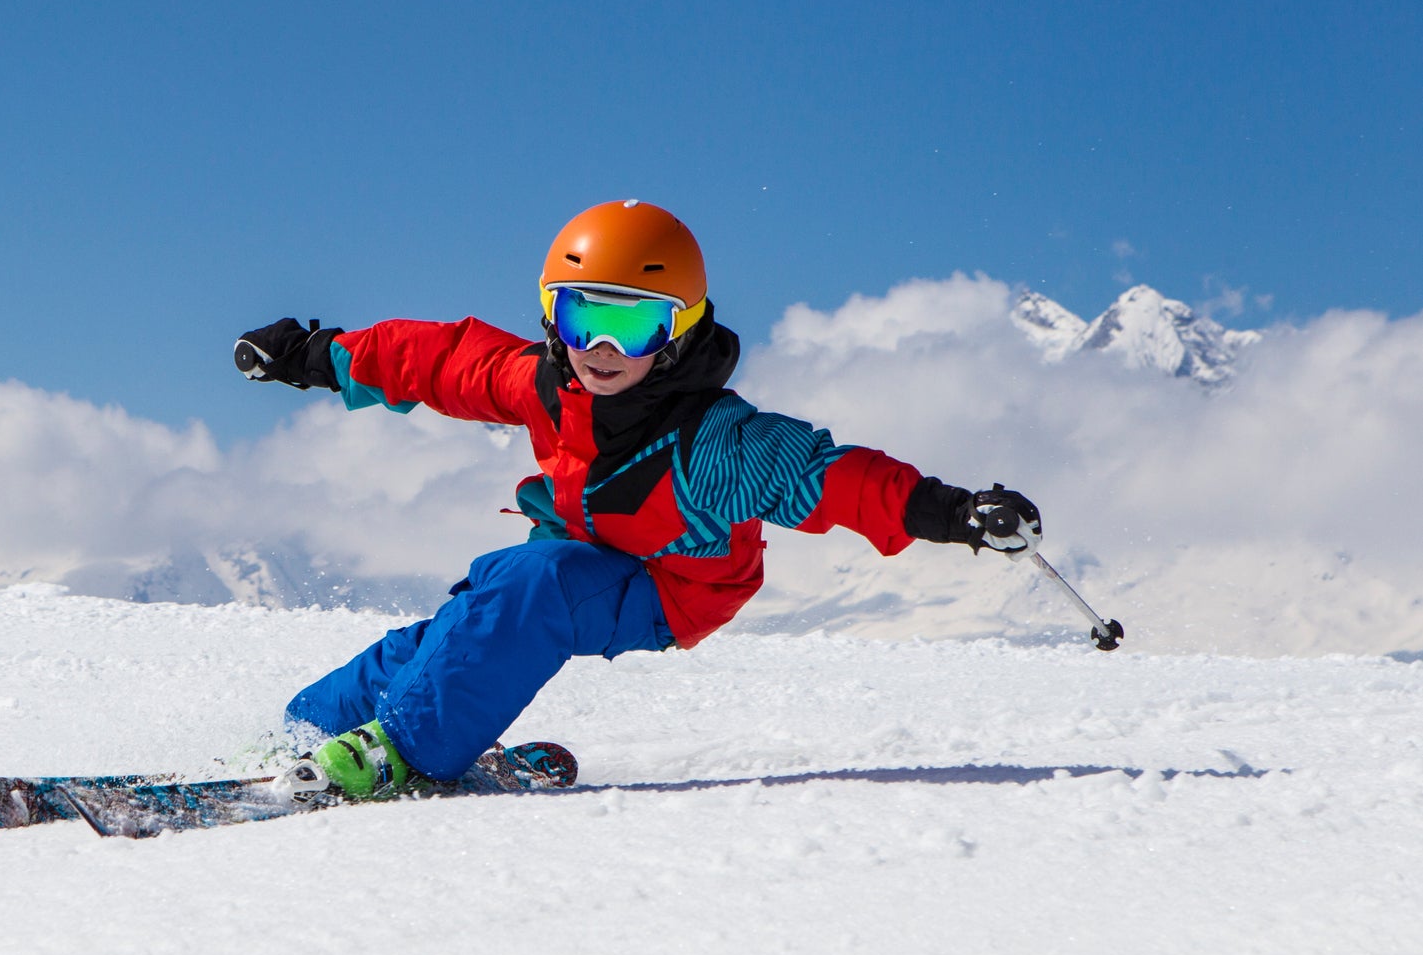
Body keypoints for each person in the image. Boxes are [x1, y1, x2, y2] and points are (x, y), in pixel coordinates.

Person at [234, 199, 1040, 800]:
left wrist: (952, 512)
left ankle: (403, 751)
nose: (604, 350)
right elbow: (441, 359)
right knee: (461, 621)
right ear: (552, 316)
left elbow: (833, 479)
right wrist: (314, 355)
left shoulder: (716, 441)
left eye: (636, 324)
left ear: (679, 330)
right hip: (579, 554)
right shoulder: (543, 382)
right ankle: (309, 732)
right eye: (583, 317)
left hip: (670, 586)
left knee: (528, 586)